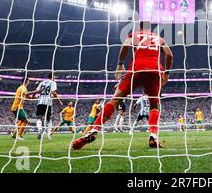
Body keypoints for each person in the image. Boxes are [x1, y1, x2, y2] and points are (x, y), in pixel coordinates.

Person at [72, 21, 173, 149]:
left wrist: (120, 64)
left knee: (115, 99)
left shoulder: (134, 35)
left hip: (136, 69)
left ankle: (94, 130)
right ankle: (153, 135)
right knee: (154, 105)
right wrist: (167, 73)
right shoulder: (158, 38)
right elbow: (169, 54)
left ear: (139, 27)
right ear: (151, 28)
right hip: (154, 71)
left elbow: (125, 46)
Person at [35, 72, 63, 140]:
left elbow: (36, 90)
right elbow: (53, 92)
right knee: (49, 119)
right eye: (54, 77)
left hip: (40, 101)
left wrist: (33, 96)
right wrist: (59, 101)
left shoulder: (42, 82)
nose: (55, 79)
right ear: (52, 77)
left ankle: (40, 129)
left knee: (39, 117)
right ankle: (48, 135)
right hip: (48, 102)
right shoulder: (53, 83)